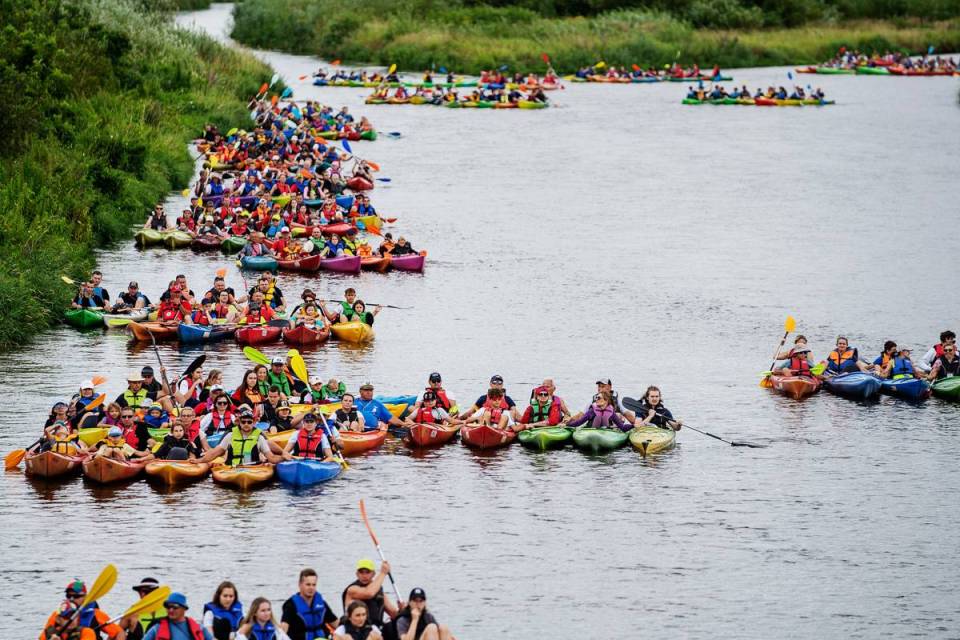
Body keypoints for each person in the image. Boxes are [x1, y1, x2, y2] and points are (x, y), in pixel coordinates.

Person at [43, 578, 125, 640]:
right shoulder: (58, 614)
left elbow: (119, 633)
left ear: (85, 597)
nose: (71, 599)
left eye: (76, 596)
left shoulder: (95, 614)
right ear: (58, 620)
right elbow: (46, 633)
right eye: (69, 596)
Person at [200, 408, 282, 466]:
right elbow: (215, 453)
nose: (246, 424)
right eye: (243, 422)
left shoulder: (259, 437)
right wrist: (198, 461)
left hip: (253, 468)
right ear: (239, 422)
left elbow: (271, 457)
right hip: (232, 468)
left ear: (253, 423)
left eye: (249, 422)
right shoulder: (230, 435)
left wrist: (284, 458)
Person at [342, 559, 400, 634]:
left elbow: (393, 613)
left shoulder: (378, 590)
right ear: (357, 574)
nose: (364, 576)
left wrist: (402, 610)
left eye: (367, 572)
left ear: (373, 574)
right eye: (361, 572)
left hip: (376, 628)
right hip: (357, 630)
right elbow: (369, 593)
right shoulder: (352, 589)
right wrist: (383, 573)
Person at [280, 569, 339, 640]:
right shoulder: (290, 605)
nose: (311, 588)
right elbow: (283, 629)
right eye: (308, 584)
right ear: (300, 585)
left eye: (314, 585)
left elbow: (336, 623)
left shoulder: (321, 604)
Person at [142, 592, 214, 640]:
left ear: (184, 609)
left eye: (175, 607)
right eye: (168, 607)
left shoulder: (199, 628)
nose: (171, 610)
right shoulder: (156, 628)